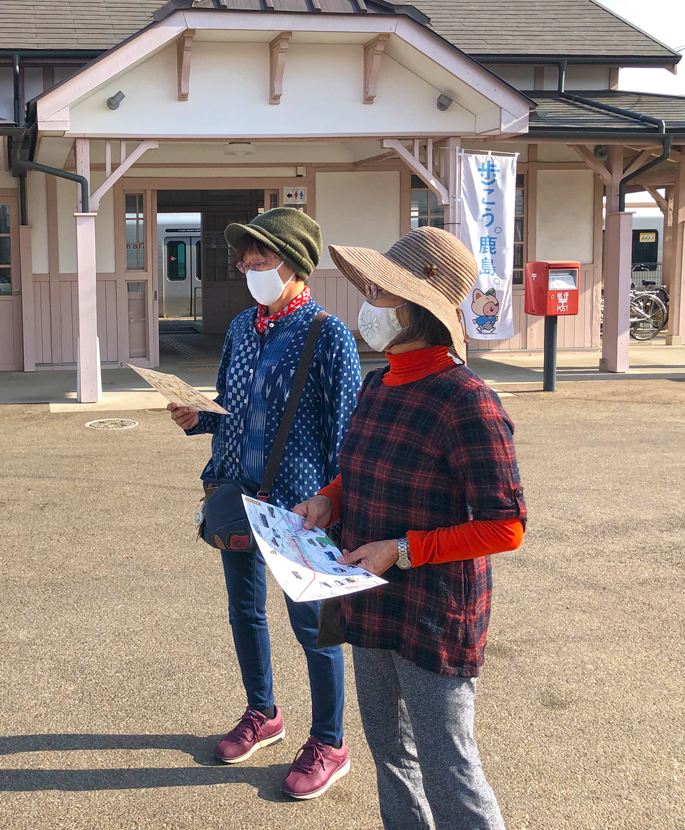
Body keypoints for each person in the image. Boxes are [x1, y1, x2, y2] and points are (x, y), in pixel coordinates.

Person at [293, 227, 526, 829]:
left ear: (420, 308)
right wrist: (326, 501)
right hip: (368, 599)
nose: (369, 300)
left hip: (434, 610)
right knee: (391, 753)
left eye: (383, 291)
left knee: (448, 762)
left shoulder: (467, 399)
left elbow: (505, 526)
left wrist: (402, 550)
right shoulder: (378, 383)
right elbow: (359, 473)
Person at [168, 208, 362, 800]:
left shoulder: (327, 334)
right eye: (246, 262)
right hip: (236, 494)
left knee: (314, 626)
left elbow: (347, 430)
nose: (251, 271)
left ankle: (330, 742)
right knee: (245, 612)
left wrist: (337, 503)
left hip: (301, 509)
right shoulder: (240, 328)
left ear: (297, 267)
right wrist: (196, 415)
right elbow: (232, 405)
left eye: (262, 262)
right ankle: (263, 714)